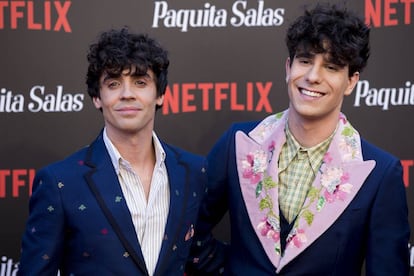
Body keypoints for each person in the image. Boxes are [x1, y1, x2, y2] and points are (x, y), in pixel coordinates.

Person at [188, 3, 410, 275]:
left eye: (331, 67)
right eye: (305, 61)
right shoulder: (238, 142)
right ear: (288, 67)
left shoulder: (379, 173)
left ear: (351, 82)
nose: (313, 77)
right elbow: (187, 229)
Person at [18, 28, 207, 276]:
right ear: (97, 97)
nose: (127, 94)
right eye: (114, 83)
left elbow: (203, 257)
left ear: (160, 95)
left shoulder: (193, 172)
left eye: (140, 82)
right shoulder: (60, 182)